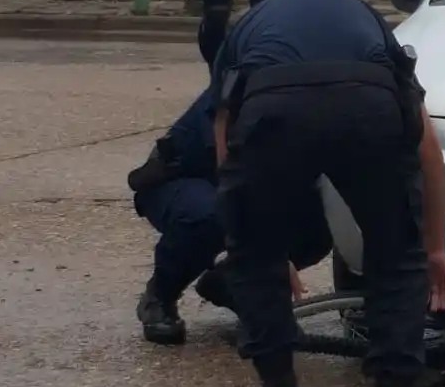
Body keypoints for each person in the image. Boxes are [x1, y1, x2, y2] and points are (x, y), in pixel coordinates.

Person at [209, 0, 445, 387]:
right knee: (395, 260)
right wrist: (431, 250)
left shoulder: (245, 35)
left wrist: (255, 238)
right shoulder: (374, 30)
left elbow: (225, 138)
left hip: (271, 109)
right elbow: (428, 152)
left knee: (254, 262)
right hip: (368, 104)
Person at [129, 88, 332, 345]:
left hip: (248, 180)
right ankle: (160, 294)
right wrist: (270, 247)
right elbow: (235, 178)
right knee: (210, 216)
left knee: (322, 225)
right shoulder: (249, 76)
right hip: (185, 177)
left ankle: (230, 283)